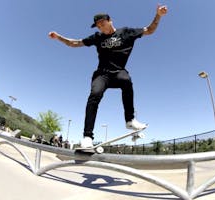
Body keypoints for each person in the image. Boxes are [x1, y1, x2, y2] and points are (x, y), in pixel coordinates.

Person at [49, 4, 168, 148]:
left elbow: (149, 30)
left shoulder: (126, 32)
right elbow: (75, 43)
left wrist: (158, 16)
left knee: (127, 81)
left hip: (118, 72)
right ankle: (87, 136)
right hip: (102, 74)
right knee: (95, 94)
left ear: (110, 20)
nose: (101, 28)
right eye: (98, 26)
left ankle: (130, 120)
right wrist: (59, 37)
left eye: (102, 24)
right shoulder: (97, 37)